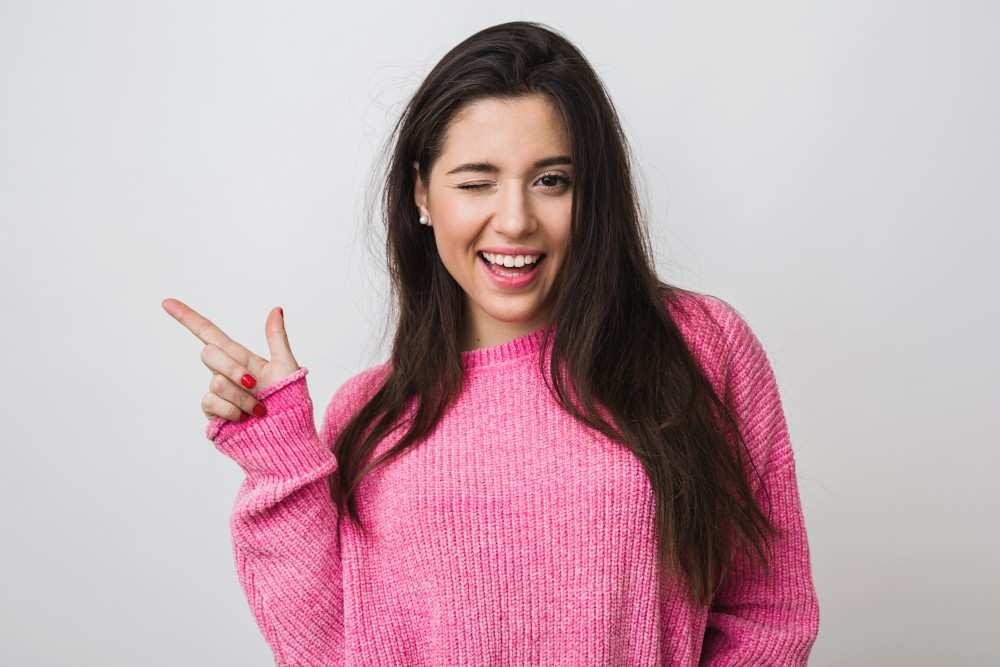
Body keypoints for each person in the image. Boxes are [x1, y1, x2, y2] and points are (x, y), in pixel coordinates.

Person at [162, 20, 819, 666]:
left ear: (595, 191)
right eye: (476, 182)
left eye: (551, 180)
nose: (514, 220)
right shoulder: (371, 414)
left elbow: (769, 615)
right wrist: (282, 463)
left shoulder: (697, 346)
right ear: (421, 192)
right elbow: (328, 650)